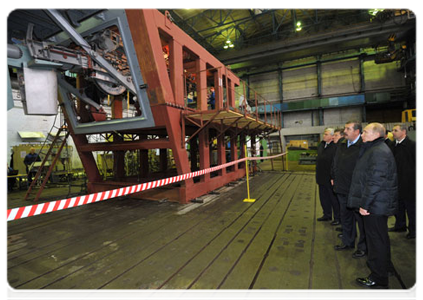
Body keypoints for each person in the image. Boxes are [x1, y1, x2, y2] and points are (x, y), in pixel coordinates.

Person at [348, 122, 398, 290]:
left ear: (376, 134)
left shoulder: (378, 152)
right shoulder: (375, 149)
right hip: (378, 204)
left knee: (375, 241)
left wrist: (365, 204)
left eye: (366, 132)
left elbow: (376, 181)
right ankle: (385, 268)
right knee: (380, 238)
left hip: (375, 205)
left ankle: (378, 278)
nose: (362, 135)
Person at [332, 121, 366, 258]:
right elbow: (335, 162)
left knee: (361, 221)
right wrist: (333, 176)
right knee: (345, 217)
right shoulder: (341, 145)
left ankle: (363, 247)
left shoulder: (363, 146)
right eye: (345, 128)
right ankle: (348, 241)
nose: (345, 131)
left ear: (357, 131)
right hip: (342, 187)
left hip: (357, 189)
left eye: (348, 129)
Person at [389, 123, 420, 239]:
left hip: (410, 184)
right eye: (392, 130)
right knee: (398, 207)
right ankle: (400, 225)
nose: (393, 132)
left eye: (396, 130)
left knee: (412, 209)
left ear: (404, 132)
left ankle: (413, 230)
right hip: (396, 183)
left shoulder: (413, 146)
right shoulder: (392, 146)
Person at [316, 128, 339, 224]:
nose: (324, 136)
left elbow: (335, 163)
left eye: (326, 134)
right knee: (323, 197)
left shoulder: (335, 147)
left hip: (330, 178)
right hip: (321, 177)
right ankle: (327, 214)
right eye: (324, 134)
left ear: (332, 136)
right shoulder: (321, 145)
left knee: (333, 199)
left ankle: (337, 218)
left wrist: (333, 177)